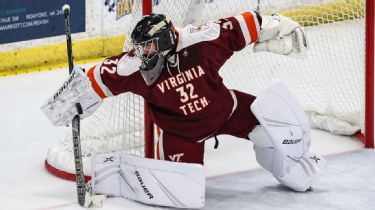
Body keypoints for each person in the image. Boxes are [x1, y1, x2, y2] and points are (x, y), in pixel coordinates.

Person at [42, 12, 326, 208]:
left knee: (285, 137)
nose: (142, 54)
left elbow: (247, 24)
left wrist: (279, 26)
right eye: (140, 48)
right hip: (180, 135)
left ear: (166, 39)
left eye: (149, 47)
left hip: (227, 111)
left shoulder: (202, 41)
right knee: (186, 196)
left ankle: (293, 168)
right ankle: (114, 173)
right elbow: (97, 77)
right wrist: (69, 99)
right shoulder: (134, 68)